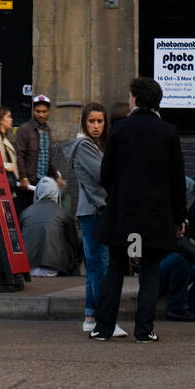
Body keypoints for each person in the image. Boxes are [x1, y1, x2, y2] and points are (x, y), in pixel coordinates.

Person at [91, 77, 186, 343]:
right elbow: (177, 180)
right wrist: (179, 217)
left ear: (135, 98)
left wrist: (117, 195)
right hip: (155, 216)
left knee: (115, 268)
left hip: (123, 213)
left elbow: (106, 174)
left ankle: (103, 328)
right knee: (150, 271)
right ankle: (144, 330)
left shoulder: (120, 129)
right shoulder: (168, 132)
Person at [66, 103, 119, 334]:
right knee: (100, 265)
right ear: (84, 123)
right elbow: (102, 174)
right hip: (94, 210)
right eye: (92, 121)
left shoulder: (92, 144)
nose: (96, 126)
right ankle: (104, 319)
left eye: (100, 121)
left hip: (89, 210)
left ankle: (90, 315)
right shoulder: (85, 145)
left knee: (94, 264)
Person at [19, 177, 80, 276]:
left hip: (27, 267)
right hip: (54, 267)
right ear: (56, 192)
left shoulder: (25, 212)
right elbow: (73, 243)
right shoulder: (63, 213)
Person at [14, 95, 66, 209]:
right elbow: (19, 155)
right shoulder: (24, 129)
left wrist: (56, 177)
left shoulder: (47, 130)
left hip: (43, 182)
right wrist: (23, 177)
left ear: (48, 112)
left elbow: (48, 157)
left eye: (44, 111)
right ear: (33, 111)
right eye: (38, 111)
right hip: (29, 183)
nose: (41, 114)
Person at [0, 107, 20, 195]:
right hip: (2, 183)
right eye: (8, 117)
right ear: (0, 120)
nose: (11, 119)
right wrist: (8, 166)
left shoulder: (3, 137)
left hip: (8, 182)